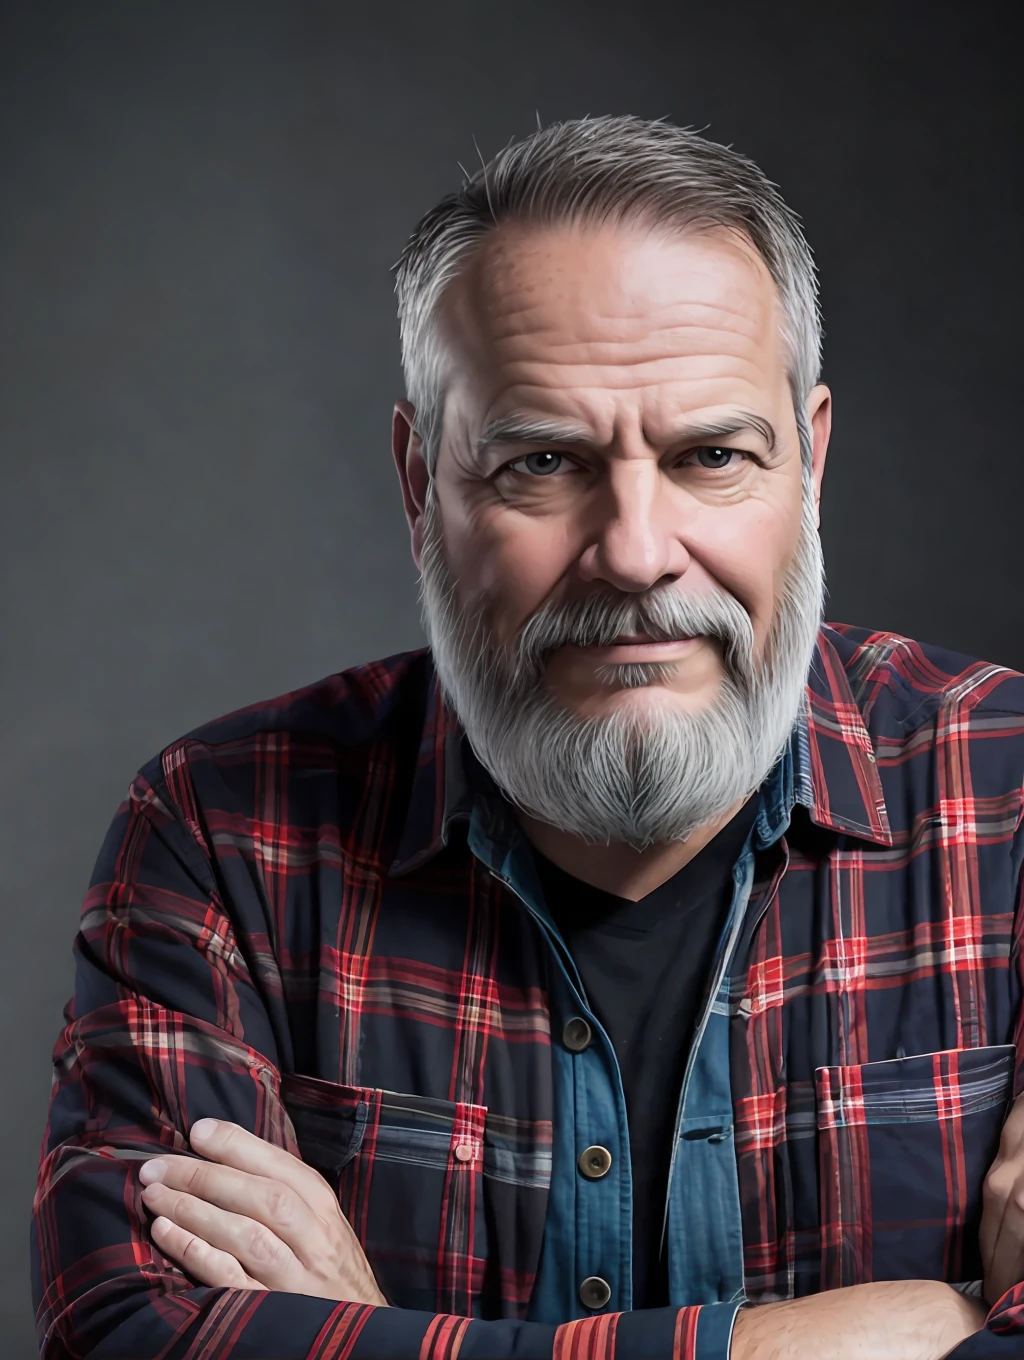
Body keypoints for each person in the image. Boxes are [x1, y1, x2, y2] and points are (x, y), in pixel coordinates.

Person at [31, 115, 1024, 1360]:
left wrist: (380, 1339)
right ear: (417, 482)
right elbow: (129, 1336)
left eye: (712, 454)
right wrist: (809, 1343)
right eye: (542, 463)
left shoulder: (1010, 793)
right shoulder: (219, 836)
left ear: (809, 464)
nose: (636, 553)